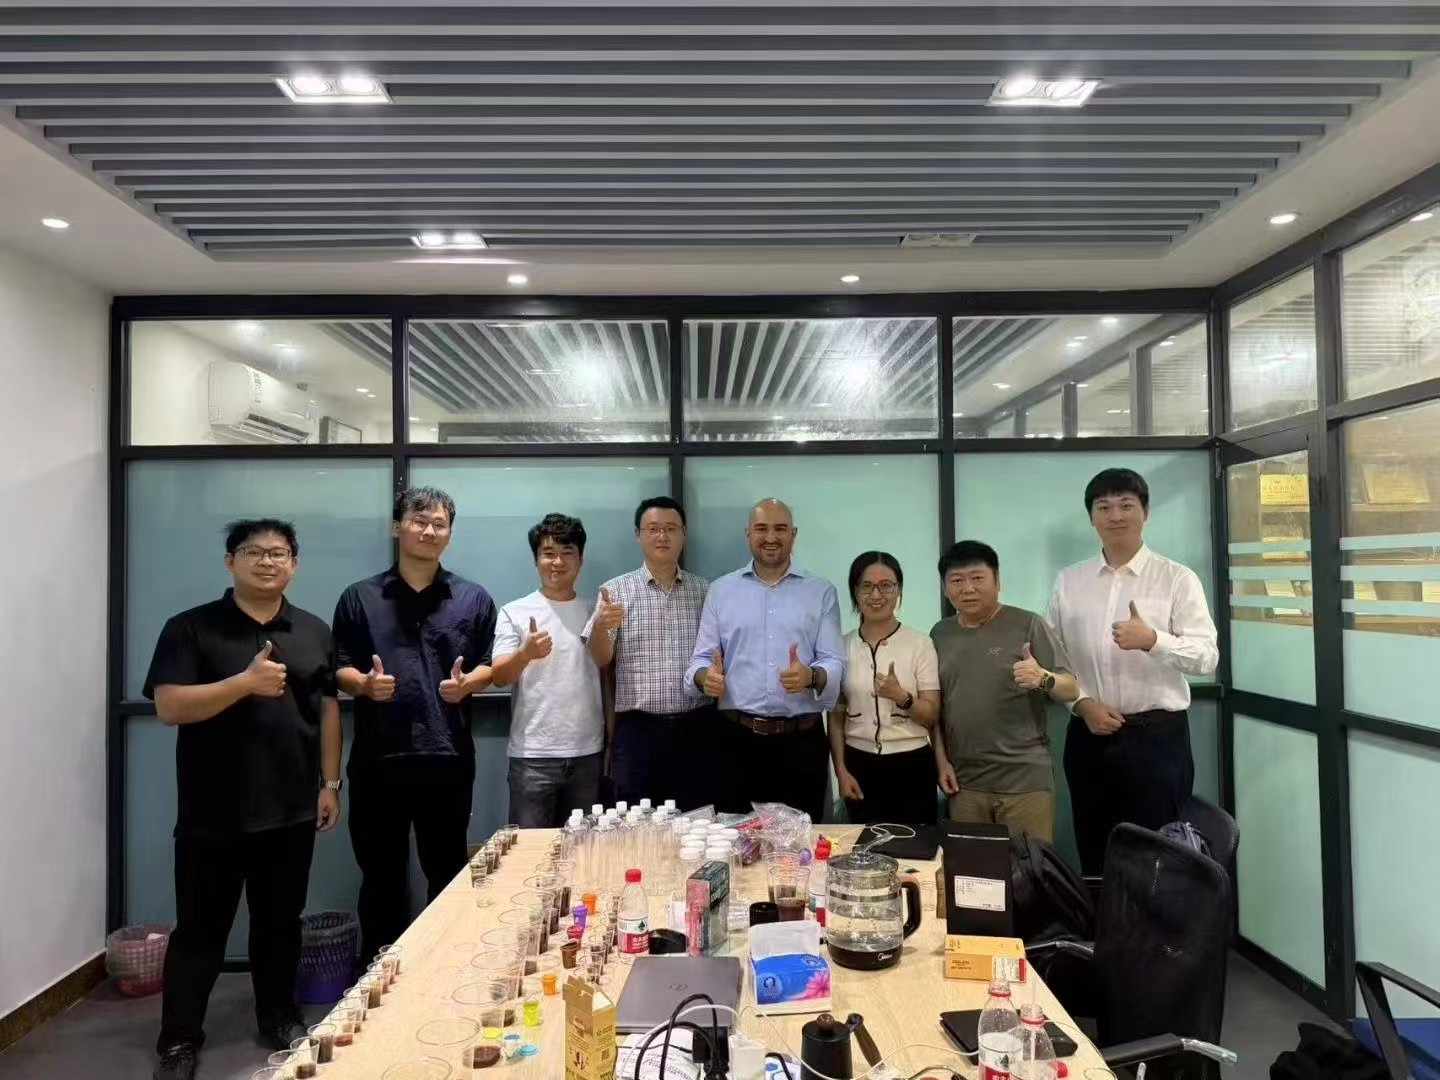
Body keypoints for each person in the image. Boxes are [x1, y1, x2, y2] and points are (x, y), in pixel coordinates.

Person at [145, 520, 341, 1080]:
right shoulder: (190, 627)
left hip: (291, 809)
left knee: (279, 925)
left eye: (278, 553)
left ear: (294, 564)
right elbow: (169, 706)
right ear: (230, 561)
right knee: (199, 933)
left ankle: (279, 1016)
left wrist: (330, 784)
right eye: (253, 552)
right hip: (213, 813)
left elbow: (327, 708)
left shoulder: (312, 630)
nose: (267, 562)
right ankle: (179, 1040)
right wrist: (243, 684)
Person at [332, 487, 497, 961]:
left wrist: (469, 684)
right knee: (380, 875)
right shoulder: (359, 597)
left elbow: (490, 665)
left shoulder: (473, 598)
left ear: (449, 534)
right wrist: (364, 685)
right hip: (378, 758)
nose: (429, 530)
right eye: (418, 521)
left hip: (447, 757)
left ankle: (444, 966)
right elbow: (339, 667)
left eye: (439, 523)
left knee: (447, 871)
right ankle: (378, 974)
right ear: (396, 527)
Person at [1047, 468, 1219, 872]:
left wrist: (1153, 640)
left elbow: (1206, 657)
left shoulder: (1176, 578)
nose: (1115, 516)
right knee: (1094, 847)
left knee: (1159, 853)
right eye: (1103, 507)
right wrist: (1081, 704)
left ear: (1146, 512)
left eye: (1126, 505)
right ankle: (1102, 916)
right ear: (1091, 517)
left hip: (1156, 739)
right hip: (1089, 735)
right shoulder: (1069, 581)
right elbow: (1054, 657)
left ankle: (1155, 918)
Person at [685, 498, 845, 823]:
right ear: (748, 534)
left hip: (801, 743)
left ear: (793, 535)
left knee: (801, 843)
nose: (771, 537)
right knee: (737, 839)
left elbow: (834, 662)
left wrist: (811, 676)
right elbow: (700, 660)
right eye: (761, 528)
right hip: (736, 742)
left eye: (780, 529)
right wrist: (706, 678)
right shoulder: (721, 591)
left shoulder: (821, 591)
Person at [931, 540, 1078, 843]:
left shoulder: (1028, 624)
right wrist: (941, 761)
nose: (967, 588)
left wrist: (1043, 678)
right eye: (956, 581)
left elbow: (1070, 688)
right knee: (973, 868)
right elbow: (938, 706)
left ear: (998, 581)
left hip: (1024, 780)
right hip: (965, 783)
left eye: (977, 578)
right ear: (945, 588)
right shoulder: (940, 633)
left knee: (1029, 866)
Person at [586, 496, 713, 810]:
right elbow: (600, 659)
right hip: (637, 731)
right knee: (636, 820)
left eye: (671, 528)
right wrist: (601, 626)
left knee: (695, 818)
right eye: (653, 529)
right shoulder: (615, 591)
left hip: (696, 727)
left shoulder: (706, 591)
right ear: (638, 535)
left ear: (684, 535)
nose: (662, 536)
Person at [492, 513, 605, 827]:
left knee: (584, 849)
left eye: (567, 552)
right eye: (548, 553)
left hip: (588, 752)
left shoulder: (595, 611)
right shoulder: (514, 612)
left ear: (581, 559)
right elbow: (499, 677)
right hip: (533, 755)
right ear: (536, 560)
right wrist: (525, 654)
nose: (558, 561)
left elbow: (608, 674)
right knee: (530, 849)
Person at [829, 552, 942, 825]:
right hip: (859, 765)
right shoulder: (841, 647)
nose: (876, 595)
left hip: (912, 764)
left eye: (886, 586)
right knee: (865, 846)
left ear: (899, 590)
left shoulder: (920, 644)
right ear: (854, 592)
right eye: (866, 586)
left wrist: (902, 697)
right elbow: (835, 717)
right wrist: (841, 770)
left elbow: (931, 715)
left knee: (917, 848)